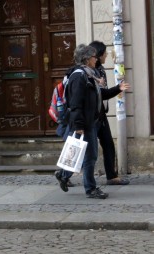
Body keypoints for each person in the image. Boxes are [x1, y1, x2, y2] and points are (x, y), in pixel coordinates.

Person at [55, 44, 129, 199]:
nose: (97, 59)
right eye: (95, 57)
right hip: (85, 123)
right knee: (90, 156)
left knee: (83, 155)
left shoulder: (88, 75)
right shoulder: (79, 76)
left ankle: (64, 174)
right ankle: (90, 189)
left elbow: (99, 94)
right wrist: (79, 126)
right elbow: (75, 104)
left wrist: (117, 89)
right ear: (87, 59)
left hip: (91, 121)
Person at [88, 40, 130, 186]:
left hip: (100, 113)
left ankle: (111, 176)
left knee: (108, 144)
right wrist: (118, 88)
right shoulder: (89, 71)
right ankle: (64, 174)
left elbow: (102, 93)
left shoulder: (100, 69)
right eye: (104, 53)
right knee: (86, 149)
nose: (106, 55)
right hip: (91, 116)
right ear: (98, 55)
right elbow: (101, 93)